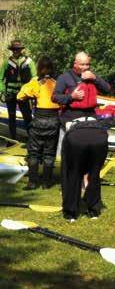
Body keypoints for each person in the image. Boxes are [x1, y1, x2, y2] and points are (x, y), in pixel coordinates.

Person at [53, 51, 111, 221]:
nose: (85, 68)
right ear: (75, 64)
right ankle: (71, 204)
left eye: (88, 64)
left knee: (92, 166)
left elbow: (107, 89)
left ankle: (92, 202)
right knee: (72, 166)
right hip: (70, 122)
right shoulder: (65, 78)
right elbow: (55, 97)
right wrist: (71, 97)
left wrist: (96, 78)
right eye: (83, 65)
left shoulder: (92, 77)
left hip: (90, 122)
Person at [17, 56, 60, 190]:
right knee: (49, 152)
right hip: (54, 120)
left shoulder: (36, 82)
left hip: (39, 120)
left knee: (34, 152)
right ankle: (46, 182)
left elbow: (20, 96)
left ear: (39, 68)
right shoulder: (57, 82)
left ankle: (32, 182)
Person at [0, 40, 36, 139]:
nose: (16, 51)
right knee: (11, 117)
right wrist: (2, 90)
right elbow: (1, 78)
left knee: (27, 116)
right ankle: (12, 139)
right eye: (14, 49)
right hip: (10, 94)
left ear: (21, 50)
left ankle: (32, 139)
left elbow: (34, 78)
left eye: (18, 49)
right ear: (12, 50)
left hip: (24, 94)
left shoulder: (29, 62)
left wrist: (32, 93)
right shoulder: (7, 62)